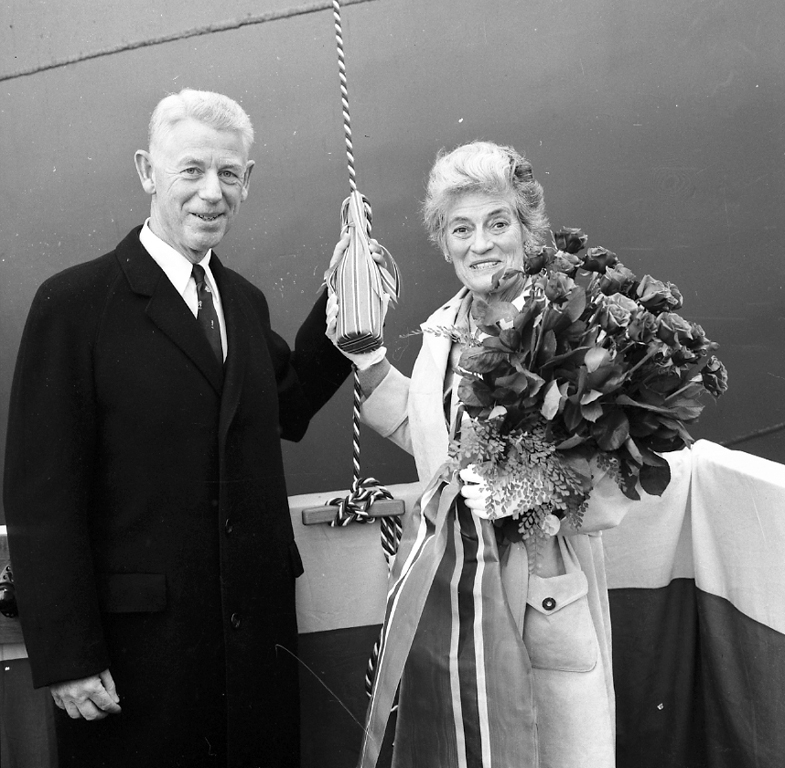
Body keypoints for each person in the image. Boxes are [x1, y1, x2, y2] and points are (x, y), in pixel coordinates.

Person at [3, 89, 353, 768]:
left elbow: (288, 407)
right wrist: (68, 656)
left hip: (253, 651)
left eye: (229, 173)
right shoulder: (74, 305)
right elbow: (42, 497)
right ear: (147, 171)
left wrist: (349, 300)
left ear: (247, 180)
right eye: (190, 170)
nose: (211, 192)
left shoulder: (243, 302)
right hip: (136, 661)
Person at [328, 140, 633, 768]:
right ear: (444, 243)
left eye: (498, 223)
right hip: (457, 595)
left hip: (538, 593)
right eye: (461, 229)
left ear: (527, 229)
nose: (481, 244)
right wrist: (368, 359)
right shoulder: (444, 329)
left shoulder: (572, 325)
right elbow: (434, 440)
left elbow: (613, 481)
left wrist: (521, 488)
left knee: (554, 751)